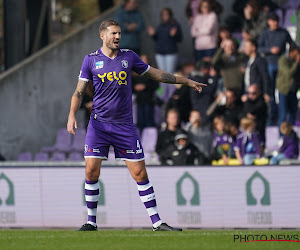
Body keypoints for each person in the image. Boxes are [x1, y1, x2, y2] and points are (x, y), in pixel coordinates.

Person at [67, 20, 206, 231]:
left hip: (124, 126)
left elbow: (156, 74)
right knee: (91, 171)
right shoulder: (90, 60)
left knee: (140, 174)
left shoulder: (129, 56)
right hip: (99, 126)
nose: (117, 37)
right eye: (113, 33)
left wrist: (184, 81)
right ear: (102, 35)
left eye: (119, 33)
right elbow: (79, 91)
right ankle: (91, 222)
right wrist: (71, 114)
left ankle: (157, 223)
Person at [258, 12, 295, 125]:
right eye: (273, 21)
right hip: (270, 64)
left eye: (276, 21)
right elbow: (259, 48)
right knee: (271, 91)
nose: (275, 23)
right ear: (269, 22)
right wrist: (270, 50)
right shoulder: (265, 34)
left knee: (283, 89)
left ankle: (285, 114)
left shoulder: (283, 32)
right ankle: (272, 116)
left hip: (282, 65)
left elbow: (292, 44)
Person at [147, 8, 182, 74]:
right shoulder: (160, 26)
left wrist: (174, 35)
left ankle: (169, 85)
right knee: (161, 74)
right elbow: (157, 39)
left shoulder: (175, 25)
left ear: (170, 15)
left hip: (170, 53)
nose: (164, 16)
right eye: (163, 15)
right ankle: (162, 85)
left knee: (169, 74)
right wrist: (153, 34)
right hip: (160, 53)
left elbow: (180, 39)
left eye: (166, 14)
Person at [132, 54, 158, 132]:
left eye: (145, 59)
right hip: (139, 101)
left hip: (149, 101)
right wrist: (135, 87)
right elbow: (129, 86)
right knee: (140, 122)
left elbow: (156, 86)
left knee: (149, 121)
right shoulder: (134, 74)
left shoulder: (152, 73)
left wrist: (145, 86)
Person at [276, 45, 300, 129]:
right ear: (291, 52)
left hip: (293, 91)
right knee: (283, 114)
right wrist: (296, 63)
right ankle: (281, 136)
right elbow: (289, 73)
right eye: (297, 53)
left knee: (293, 114)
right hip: (284, 90)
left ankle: (291, 134)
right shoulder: (283, 60)